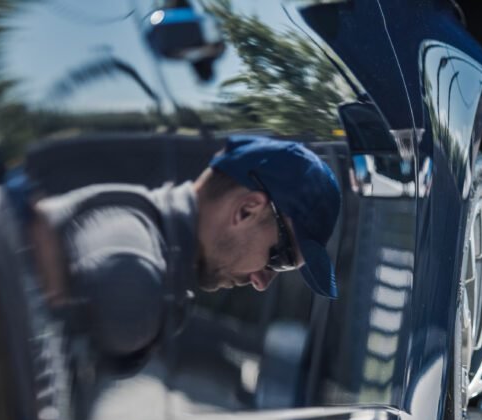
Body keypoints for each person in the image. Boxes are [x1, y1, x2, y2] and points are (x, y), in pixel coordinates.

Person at [23, 135, 342, 368]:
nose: (261, 281)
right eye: (279, 259)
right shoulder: (133, 281)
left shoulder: (140, 236)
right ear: (246, 210)